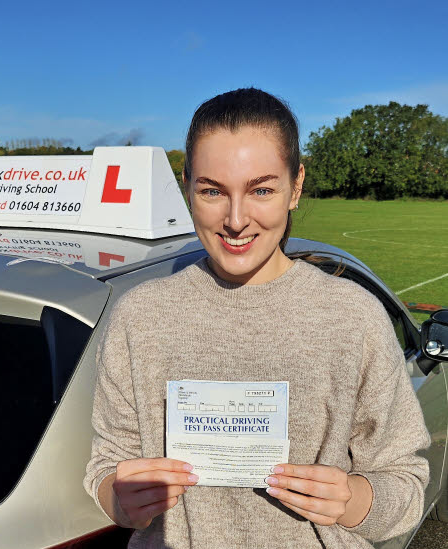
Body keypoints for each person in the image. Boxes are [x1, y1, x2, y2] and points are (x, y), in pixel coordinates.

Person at [83, 87, 430, 548]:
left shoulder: (353, 317)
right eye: (212, 191)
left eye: (261, 189)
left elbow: (404, 483)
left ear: (296, 186)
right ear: (187, 185)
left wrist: (353, 499)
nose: (236, 219)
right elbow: (108, 463)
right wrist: (119, 499)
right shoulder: (140, 316)